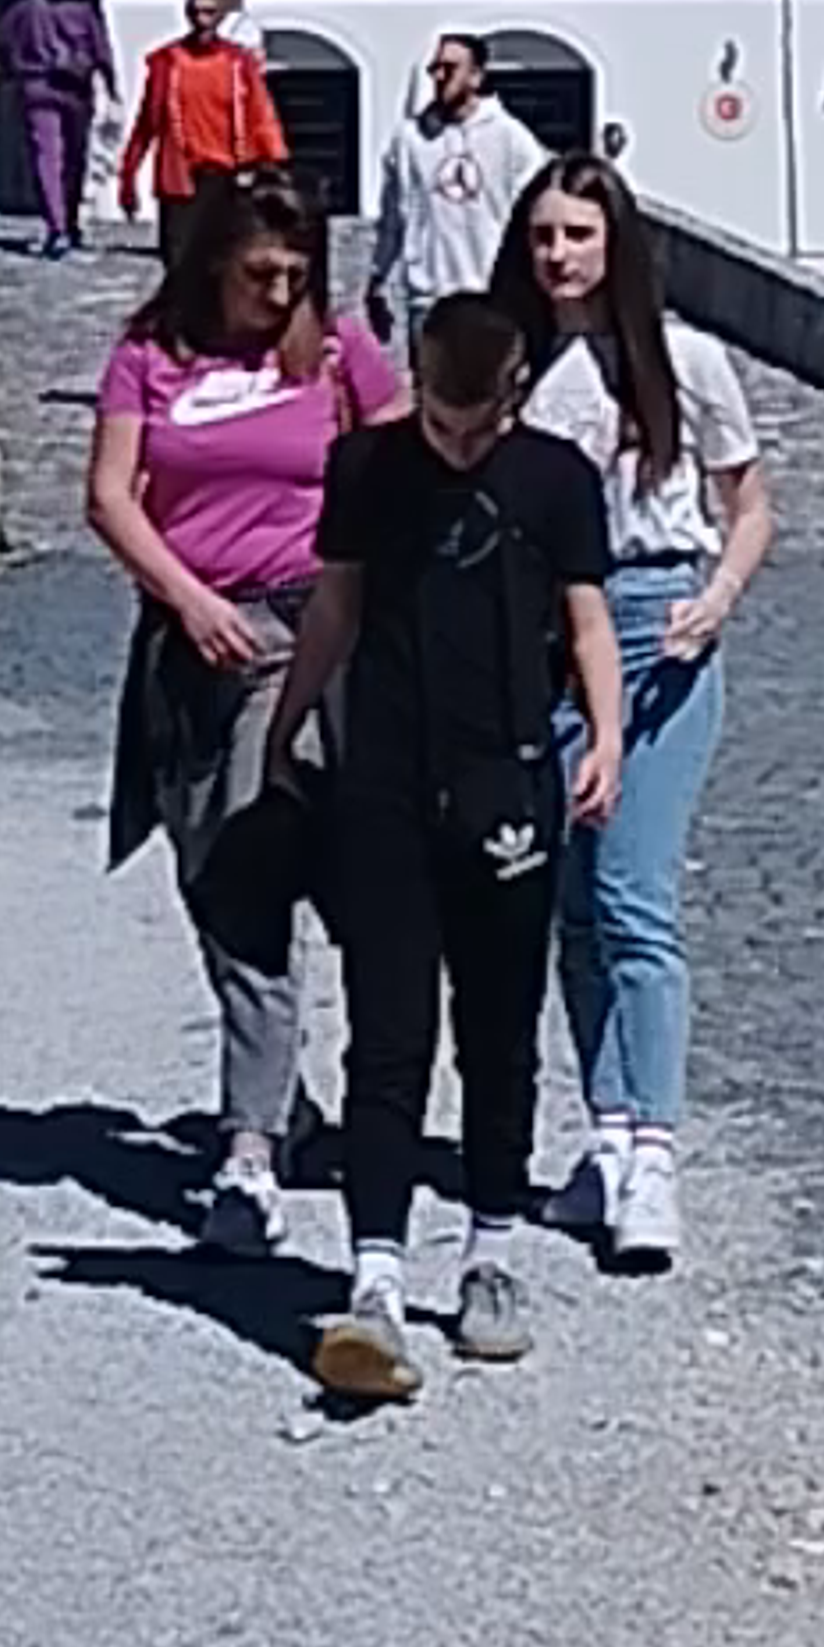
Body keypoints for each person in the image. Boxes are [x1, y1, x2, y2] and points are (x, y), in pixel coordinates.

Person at [274, 287, 623, 1403]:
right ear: (415, 385)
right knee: (387, 1029)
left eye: (478, 429)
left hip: (508, 773)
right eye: (439, 422)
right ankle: (373, 1274)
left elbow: (586, 619)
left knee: (499, 1030)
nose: (457, 446)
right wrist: (290, 718)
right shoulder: (367, 469)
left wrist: (605, 735)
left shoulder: (556, 479)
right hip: (384, 772)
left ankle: (491, 1252)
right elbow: (335, 602)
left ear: (514, 397)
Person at [88, 174, 400, 1250]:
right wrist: (186, 595)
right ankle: (284, 1102)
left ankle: (254, 1147)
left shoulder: (339, 348)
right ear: (215, 257)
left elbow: (407, 461)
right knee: (211, 872)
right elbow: (113, 495)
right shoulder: (149, 350)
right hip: (192, 641)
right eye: (260, 270)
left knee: (262, 863)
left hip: (313, 633)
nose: (279, 291)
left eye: (297, 272)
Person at [490, 154, 772, 1268]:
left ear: (618, 245)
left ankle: (656, 1148)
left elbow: (749, 504)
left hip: (657, 622)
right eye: (544, 234)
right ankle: (605, 1133)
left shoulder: (687, 362)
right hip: (550, 631)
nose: (558, 254)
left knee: (634, 893)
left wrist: (715, 601)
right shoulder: (518, 368)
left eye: (577, 234)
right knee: (569, 905)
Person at [365, 31, 547, 347]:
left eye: (449, 68)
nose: (439, 76)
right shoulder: (409, 140)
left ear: (476, 76)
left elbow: (536, 215)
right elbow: (392, 219)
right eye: (434, 68)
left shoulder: (513, 140)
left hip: (491, 296)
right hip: (429, 299)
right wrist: (377, 279)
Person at [116, 0, 287, 226]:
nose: (202, 20)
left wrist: (272, 164)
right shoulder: (168, 62)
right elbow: (146, 124)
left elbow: (261, 116)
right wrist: (128, 176)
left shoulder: (238, 64)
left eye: (209, 12)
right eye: (196, 12)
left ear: (220, 16)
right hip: (179, 178)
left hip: (227, 175)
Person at [0, 0, 118, 253]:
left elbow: (0, 39)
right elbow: (100, 43)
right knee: (74, 158)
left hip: (36, 83)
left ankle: (57, 225)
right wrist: (111, 81)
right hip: (76, 85)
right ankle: (69, 222)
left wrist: (13, 69)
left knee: (46, 157)